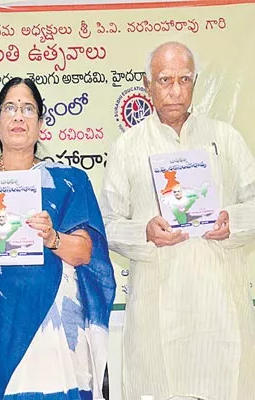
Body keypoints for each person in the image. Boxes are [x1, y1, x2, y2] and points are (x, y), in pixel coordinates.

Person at [100, 41, 255, 400]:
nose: (175, 90)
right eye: (165, 80)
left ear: (195, 82)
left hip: (220, 312)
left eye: (184, 80)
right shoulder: (128, 146)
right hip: (158, 311)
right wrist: (145, 232)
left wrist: (234, 221)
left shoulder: (226, 139)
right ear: (147, 84)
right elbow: (106, 222)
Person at [0, 77, 115, 400]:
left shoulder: (69, 182)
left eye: (27, 109)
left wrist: (52, 238)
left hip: (58, 335)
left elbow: (84, 252)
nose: (18, 116)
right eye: (10, 108)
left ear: (40, 123)